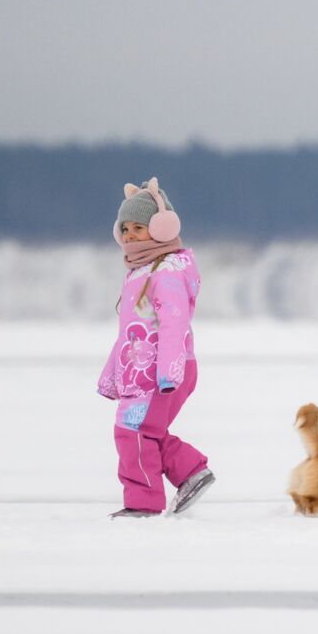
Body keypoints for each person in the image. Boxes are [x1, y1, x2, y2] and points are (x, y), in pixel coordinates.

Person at [98, 178, 215, 518]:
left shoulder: (166, 272)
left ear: (162, 228)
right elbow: (128, 335)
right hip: (140, 374)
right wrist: (110, 377)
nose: (131, 235)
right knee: (143, 432)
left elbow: (174, 325)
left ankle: (144, 504)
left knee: (132, 431)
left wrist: (169, 371)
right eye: (126, 228)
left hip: (164, 372)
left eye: (140, 227)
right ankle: (191, 471)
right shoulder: (139, 272)